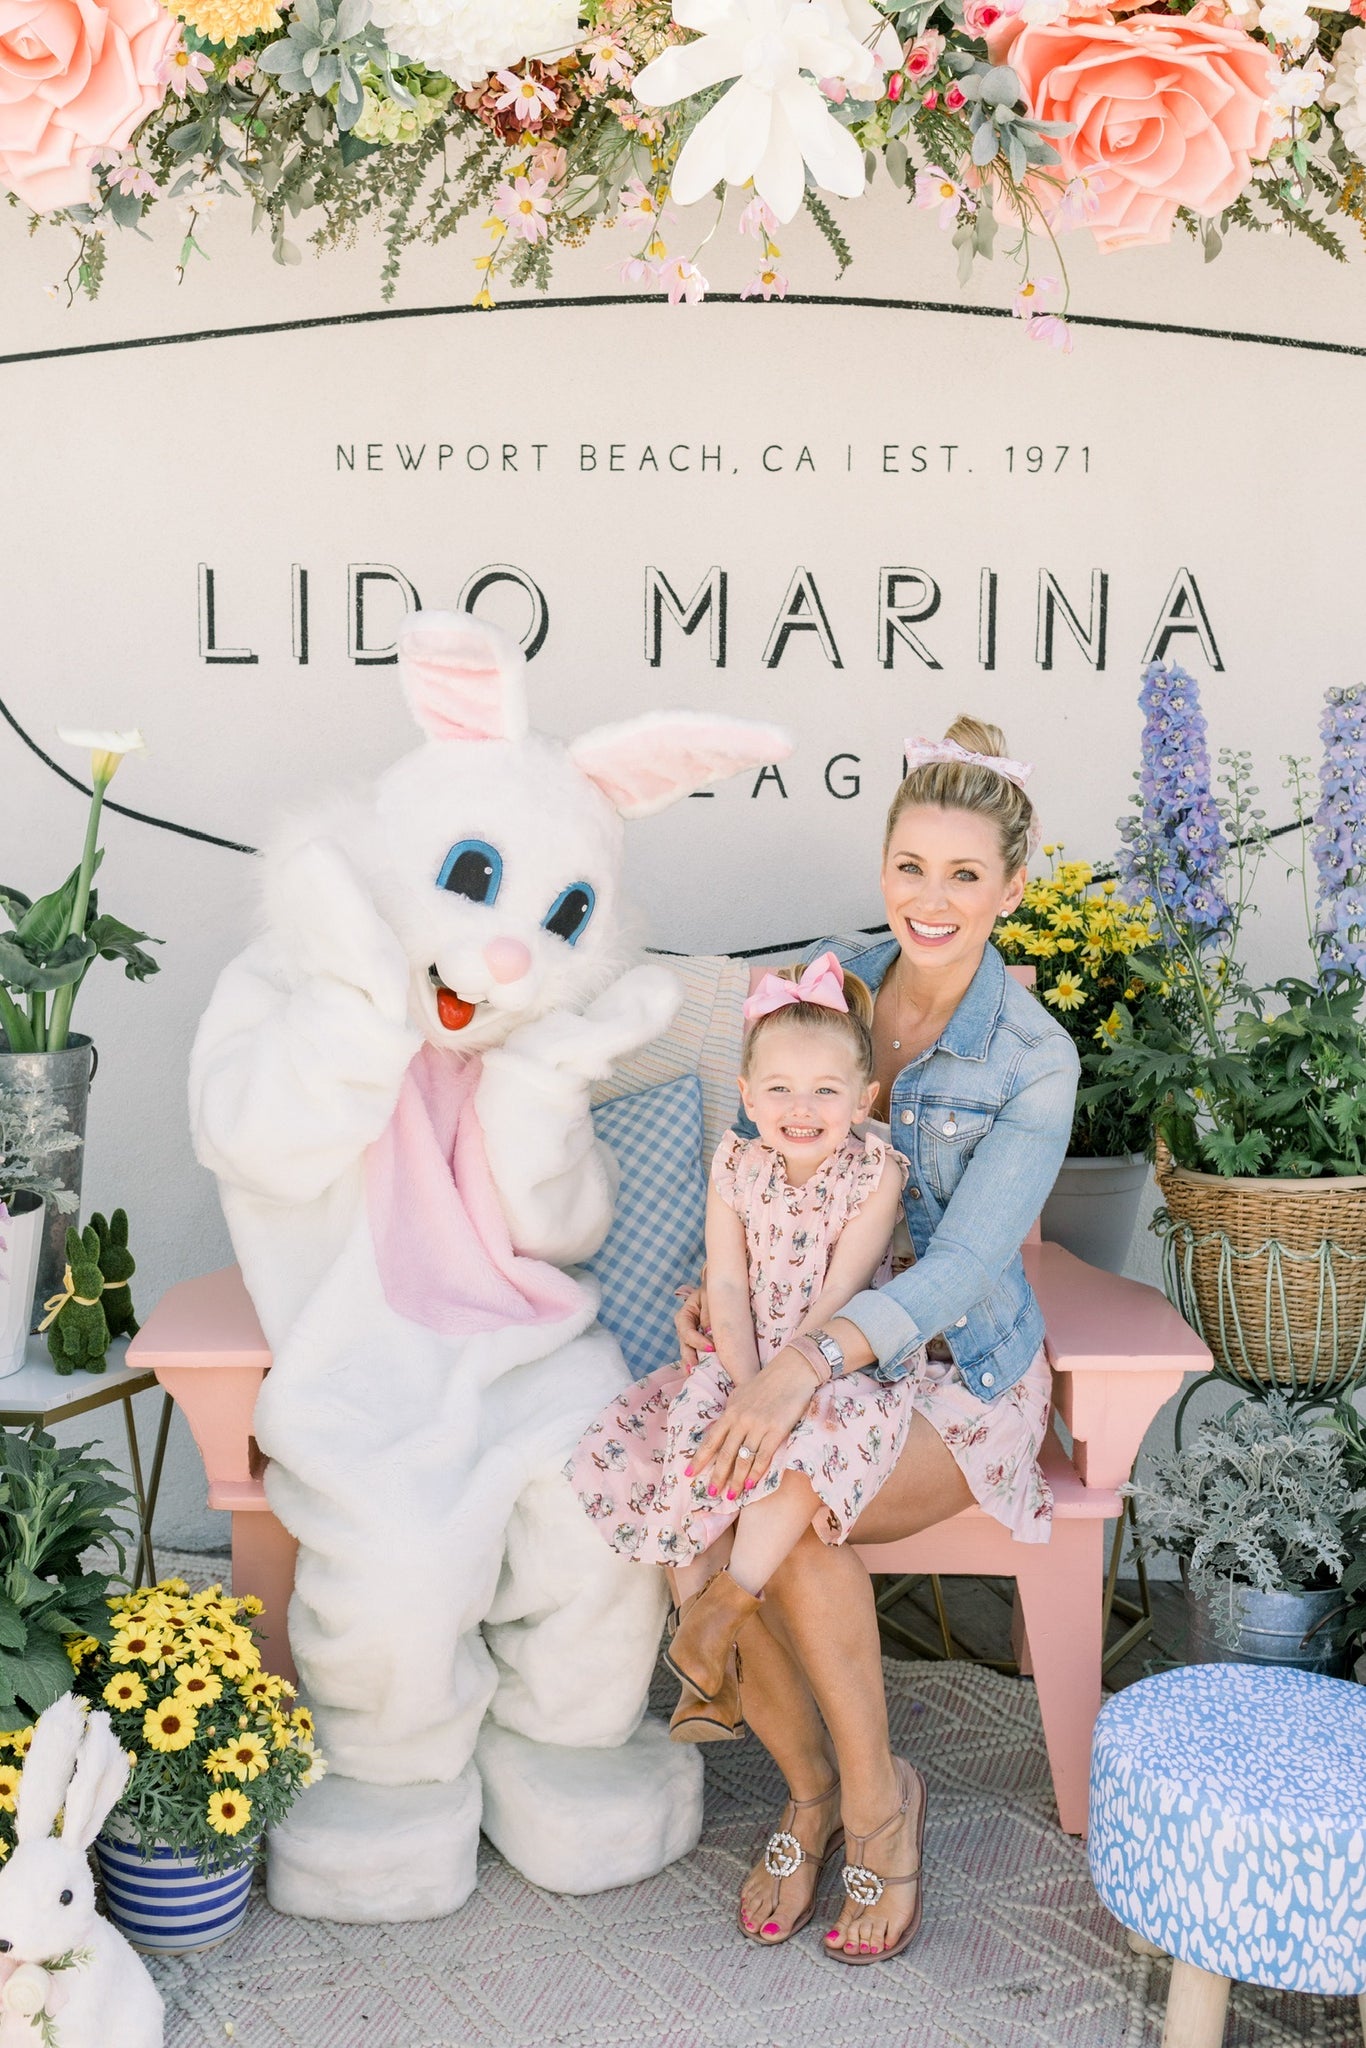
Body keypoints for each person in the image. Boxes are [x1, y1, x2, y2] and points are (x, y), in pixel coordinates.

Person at [671, 719, 1080, 1967]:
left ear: (1012, 886)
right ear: (883, 865)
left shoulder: (1032, 1057)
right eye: (910, 866)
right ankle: (816, 1789)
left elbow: (961, 1268)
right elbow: (760, 1164)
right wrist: (722, 1295)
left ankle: (872, 1809)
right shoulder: (823, 987)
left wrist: (800, 1368)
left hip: (951, 1373)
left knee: (795, 1487)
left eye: (964, 874)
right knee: (717, 1485)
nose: (931, 899)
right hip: (791, 1347)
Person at [569, 955, 912, 1765]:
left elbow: (842, 1294)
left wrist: (781, 1391)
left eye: (825, 1091)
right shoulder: (736, 1164)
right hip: (740, 1353)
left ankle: (719, 1615)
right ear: (748, 1096)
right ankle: (707, 1665)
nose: (802, 1109)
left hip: (834, 1363)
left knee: (803, 1445)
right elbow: (725, 1280)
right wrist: (746, 1383)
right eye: (780, 1089)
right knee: (694, 1445)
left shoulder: (874, 1172)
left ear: (863, 1100)